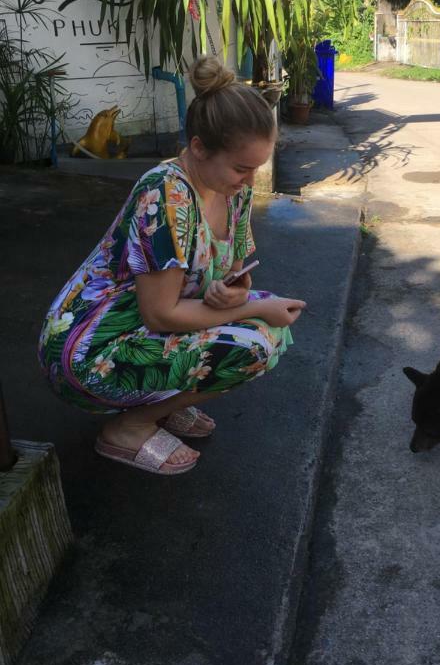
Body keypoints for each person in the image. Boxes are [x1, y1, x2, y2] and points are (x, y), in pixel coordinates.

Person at [38, 56, 305, 475]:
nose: (250, 181)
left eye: (256, 168)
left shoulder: (233, 190)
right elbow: (160, 313)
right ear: (198, 147)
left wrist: (236, 291)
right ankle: (131, 425)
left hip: (148, 323)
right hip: (89, 347)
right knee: (254, 344)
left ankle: (163, 402)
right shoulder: (164, 194)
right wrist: (249, 306)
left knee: (266, 318)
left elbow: (237, 268)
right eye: (241, 168)